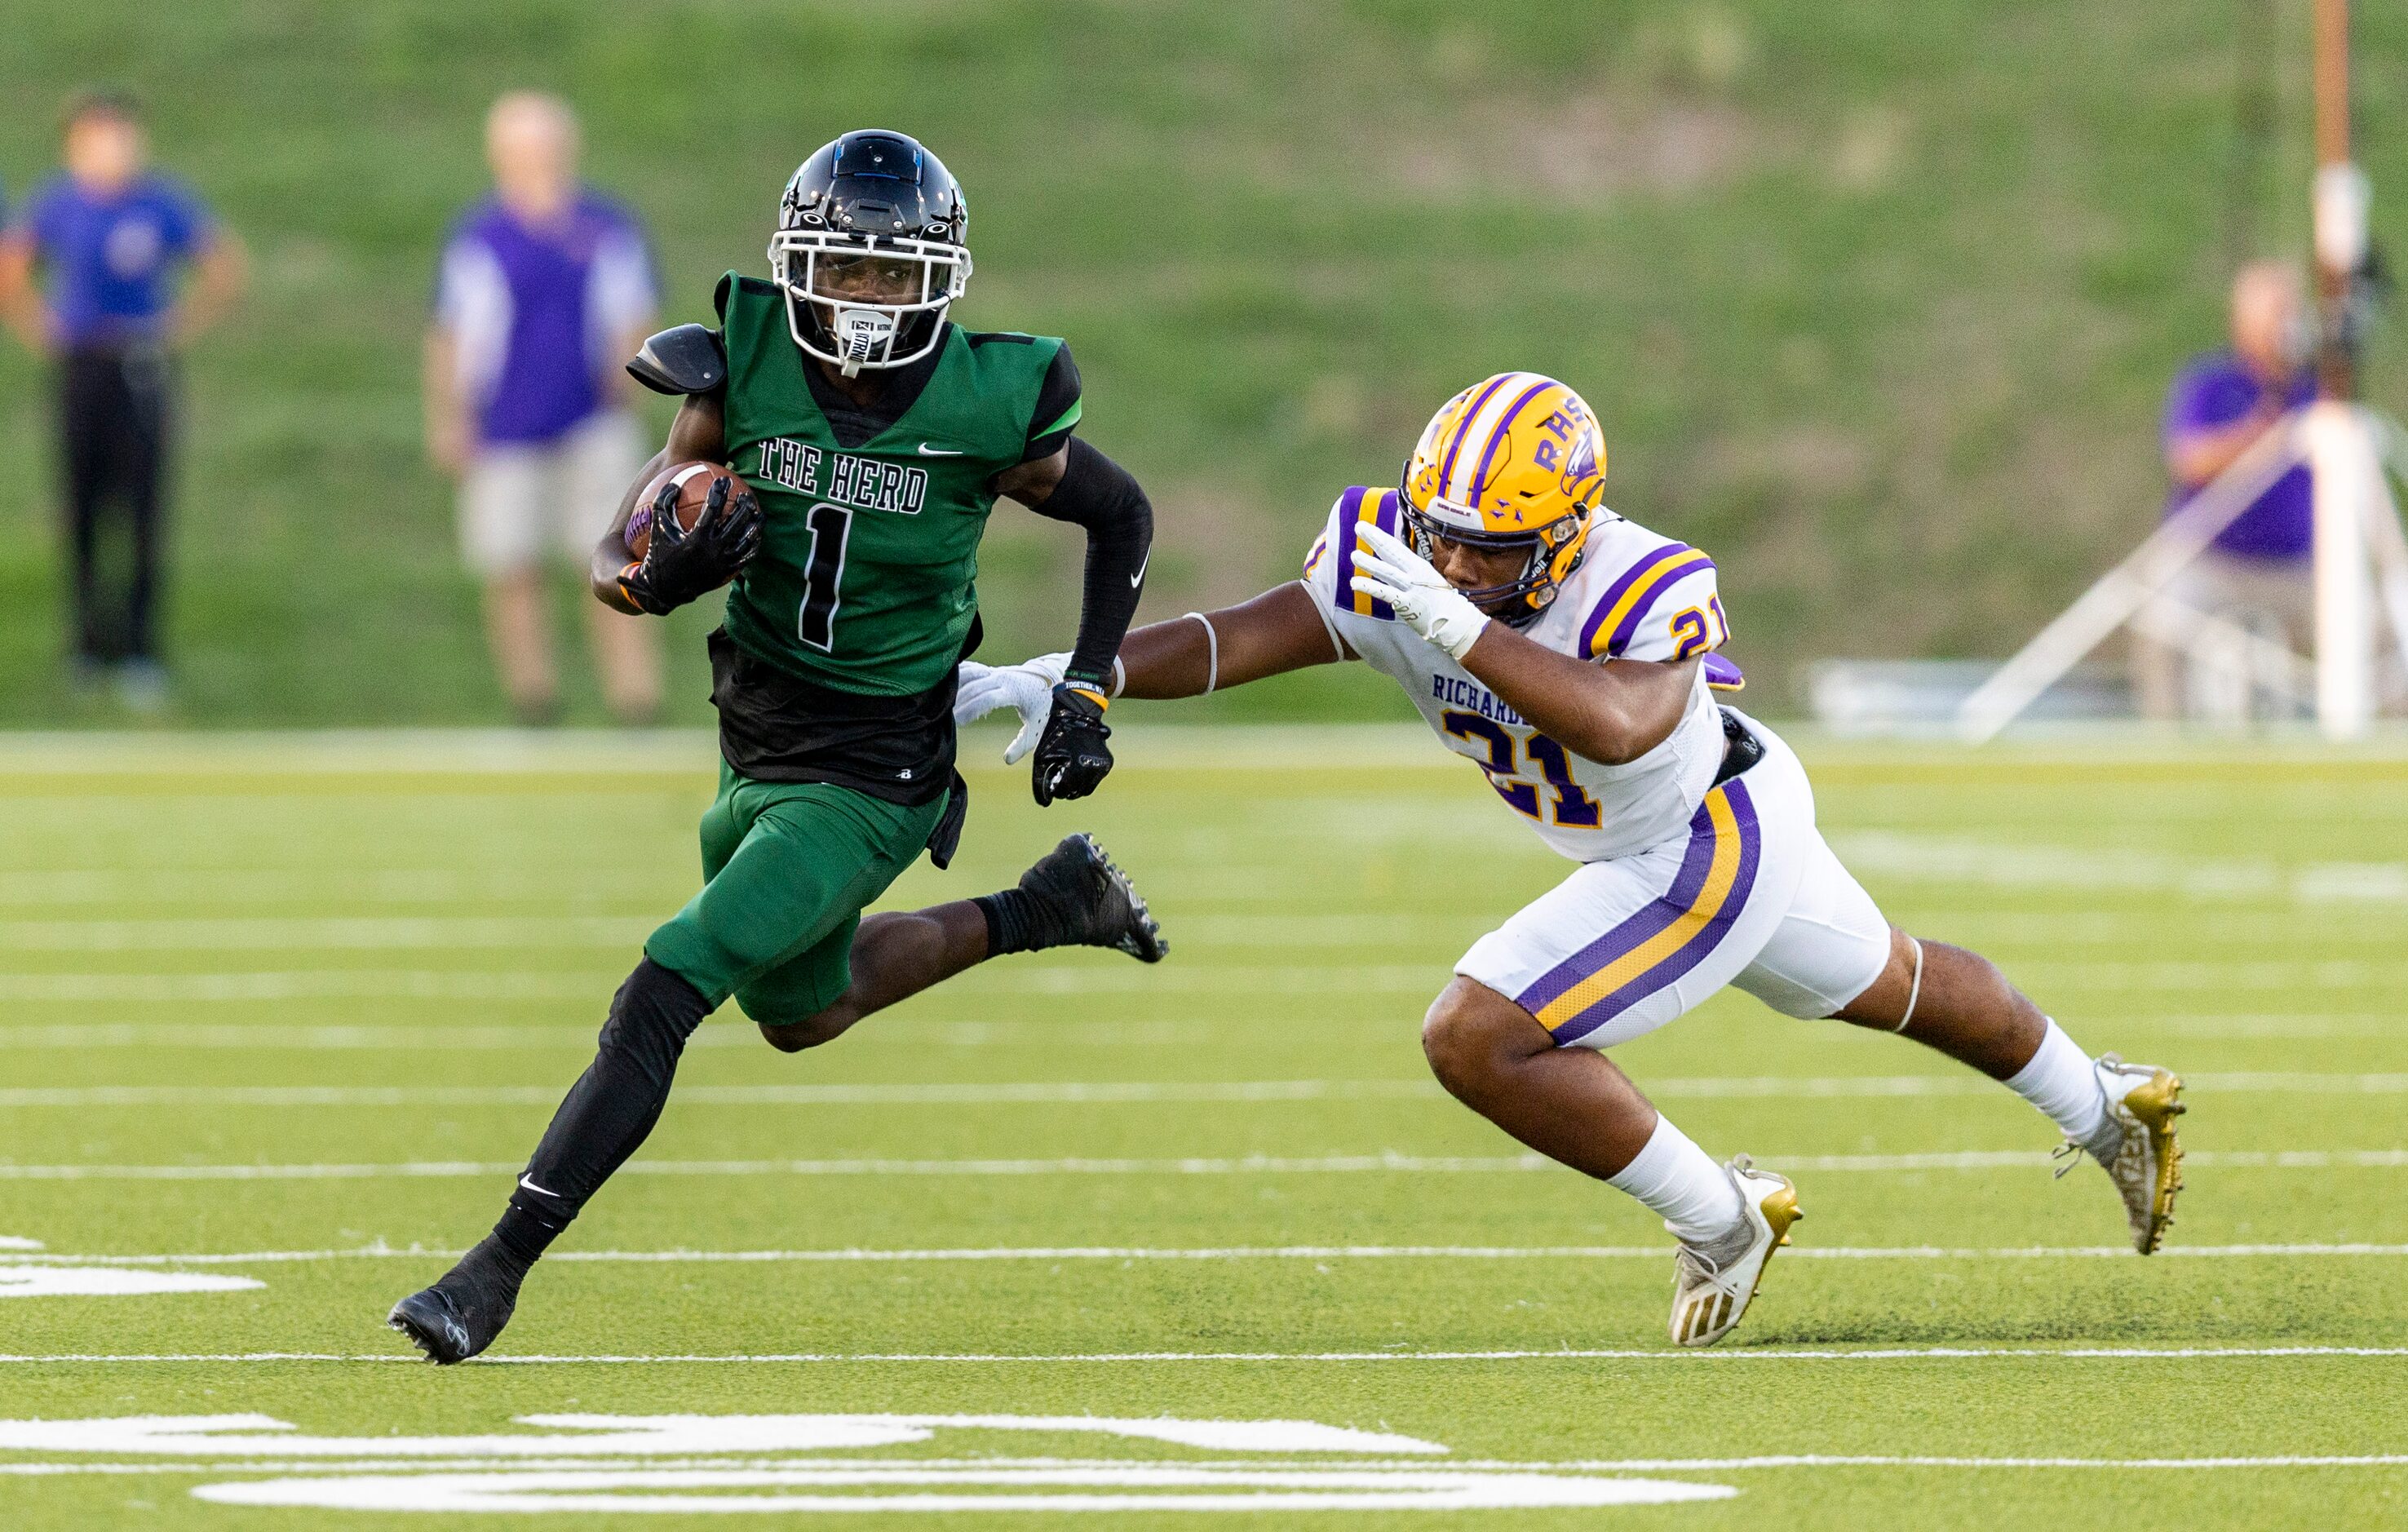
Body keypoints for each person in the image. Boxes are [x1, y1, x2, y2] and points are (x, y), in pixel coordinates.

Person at [963, 373, 2188, 1348]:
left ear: (1568, 529)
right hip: (1667, 828)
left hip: (1703, 833)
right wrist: (1085, 675)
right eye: (1442, 540)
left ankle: (1724, 1215)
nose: (1454, 568)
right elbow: (1245, 636)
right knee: (1894, 981)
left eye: (1490, 553)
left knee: (1475, 1032)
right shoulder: (1398, 552)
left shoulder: (1642, 576)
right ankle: (2106, 1101)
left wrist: (1458, 632)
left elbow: (1618, 721)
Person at [388, 130, 1164, 1364]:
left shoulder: (990, 401)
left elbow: (1120, 511)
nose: (860, 301)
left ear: (938, 282)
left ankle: (493, 1270)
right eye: (840, 272)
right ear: (798, 270)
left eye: (886, 275)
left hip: (873, 774)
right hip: (754, 742)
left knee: (666, 984)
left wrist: (1088, 690)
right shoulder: (738, 370)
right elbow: (612, 557)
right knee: (804, 1011)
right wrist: (653, 578)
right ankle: (1048, 904)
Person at [0, 90, 245, 710]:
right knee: (81, 508)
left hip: (141, 365)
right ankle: (85, 648)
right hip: (83, 366)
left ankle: (141, 651)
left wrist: (176, 324)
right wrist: (40, 327)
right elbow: (15, 267)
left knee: (143, 510)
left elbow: (222, 264)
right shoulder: (59, 203)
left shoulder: (159, 202)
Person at [427, 92, 666, 724]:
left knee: (614, 566)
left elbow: (636, 315)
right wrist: (448, 416)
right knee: (512, 566)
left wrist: (628, 389)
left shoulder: (604, 227)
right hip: (503, 424)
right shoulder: (480, 236)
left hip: (592, 419)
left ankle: (634, 700)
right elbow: (450, 332)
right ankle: (533, 699)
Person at [2136, 261, 2318, 720]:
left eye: (2289, 307)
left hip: (2294, 566)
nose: (2284, 320)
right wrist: (2257, 437)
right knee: (2160, 620)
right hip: (2212, 557)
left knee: (2370, 623)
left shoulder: (2315, 391)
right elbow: (2188, 459)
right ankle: (2167, 742)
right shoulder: (2211, 383)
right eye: (2273, 309)